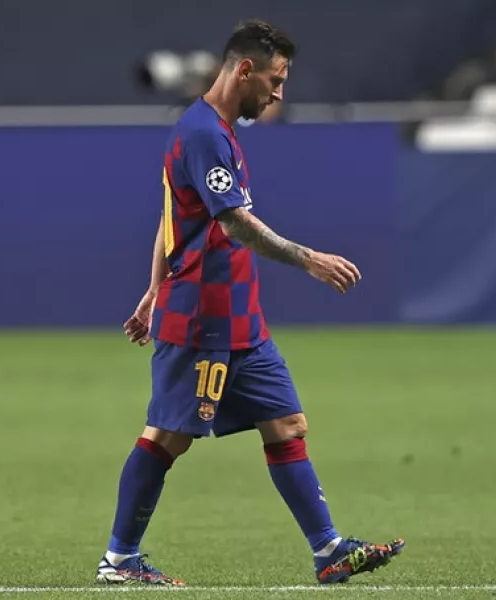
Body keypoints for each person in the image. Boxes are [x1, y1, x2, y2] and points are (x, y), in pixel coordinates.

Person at [95, 19, 404, 587]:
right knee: (168, 436)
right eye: (276, 79)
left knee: (286, 423)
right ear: (245, 70)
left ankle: (328, 549)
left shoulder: (216, 129)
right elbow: (234, 223)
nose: (279, 93)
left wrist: (150, 290)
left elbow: (172, 220)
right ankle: (119, 559)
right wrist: (307, 258)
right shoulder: (204, 133)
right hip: (205, 317)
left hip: (240, 317)